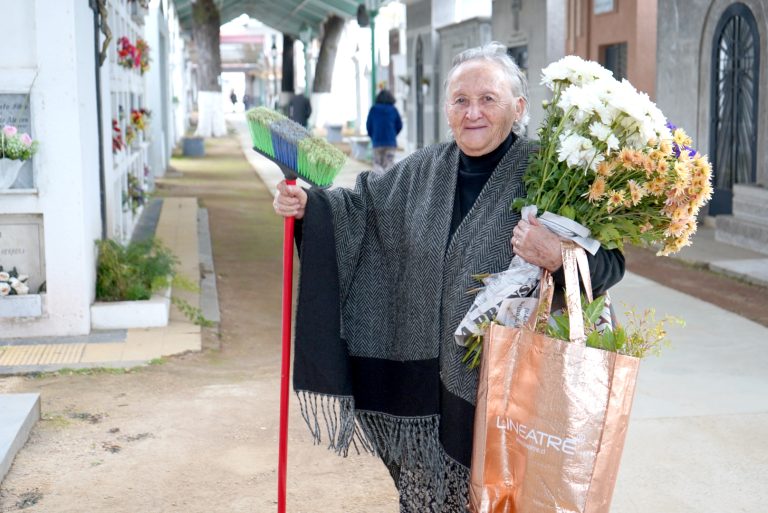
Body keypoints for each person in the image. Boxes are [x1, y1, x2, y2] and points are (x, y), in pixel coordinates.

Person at [272, 42, 624, 511]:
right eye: (460, 100)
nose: (472, 112)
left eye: (487, 99)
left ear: (518, 108)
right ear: (446, 109)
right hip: (423, 396)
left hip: (511, 394)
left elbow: (611, 264)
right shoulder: (420, 171)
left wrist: (558, 254)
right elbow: (358, 210)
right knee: (424, 502)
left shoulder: (549, 175)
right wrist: (308, 207)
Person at [366, 89, 403, 174]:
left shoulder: (373, 109)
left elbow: (368, 126)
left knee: (377, 165)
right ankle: (389, 185)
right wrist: (393, 135)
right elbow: (399, 125)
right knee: (389, 165)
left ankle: (378, 184)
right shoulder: (393, 110)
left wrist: (373, 136)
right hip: (390, 143)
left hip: (377, 142)